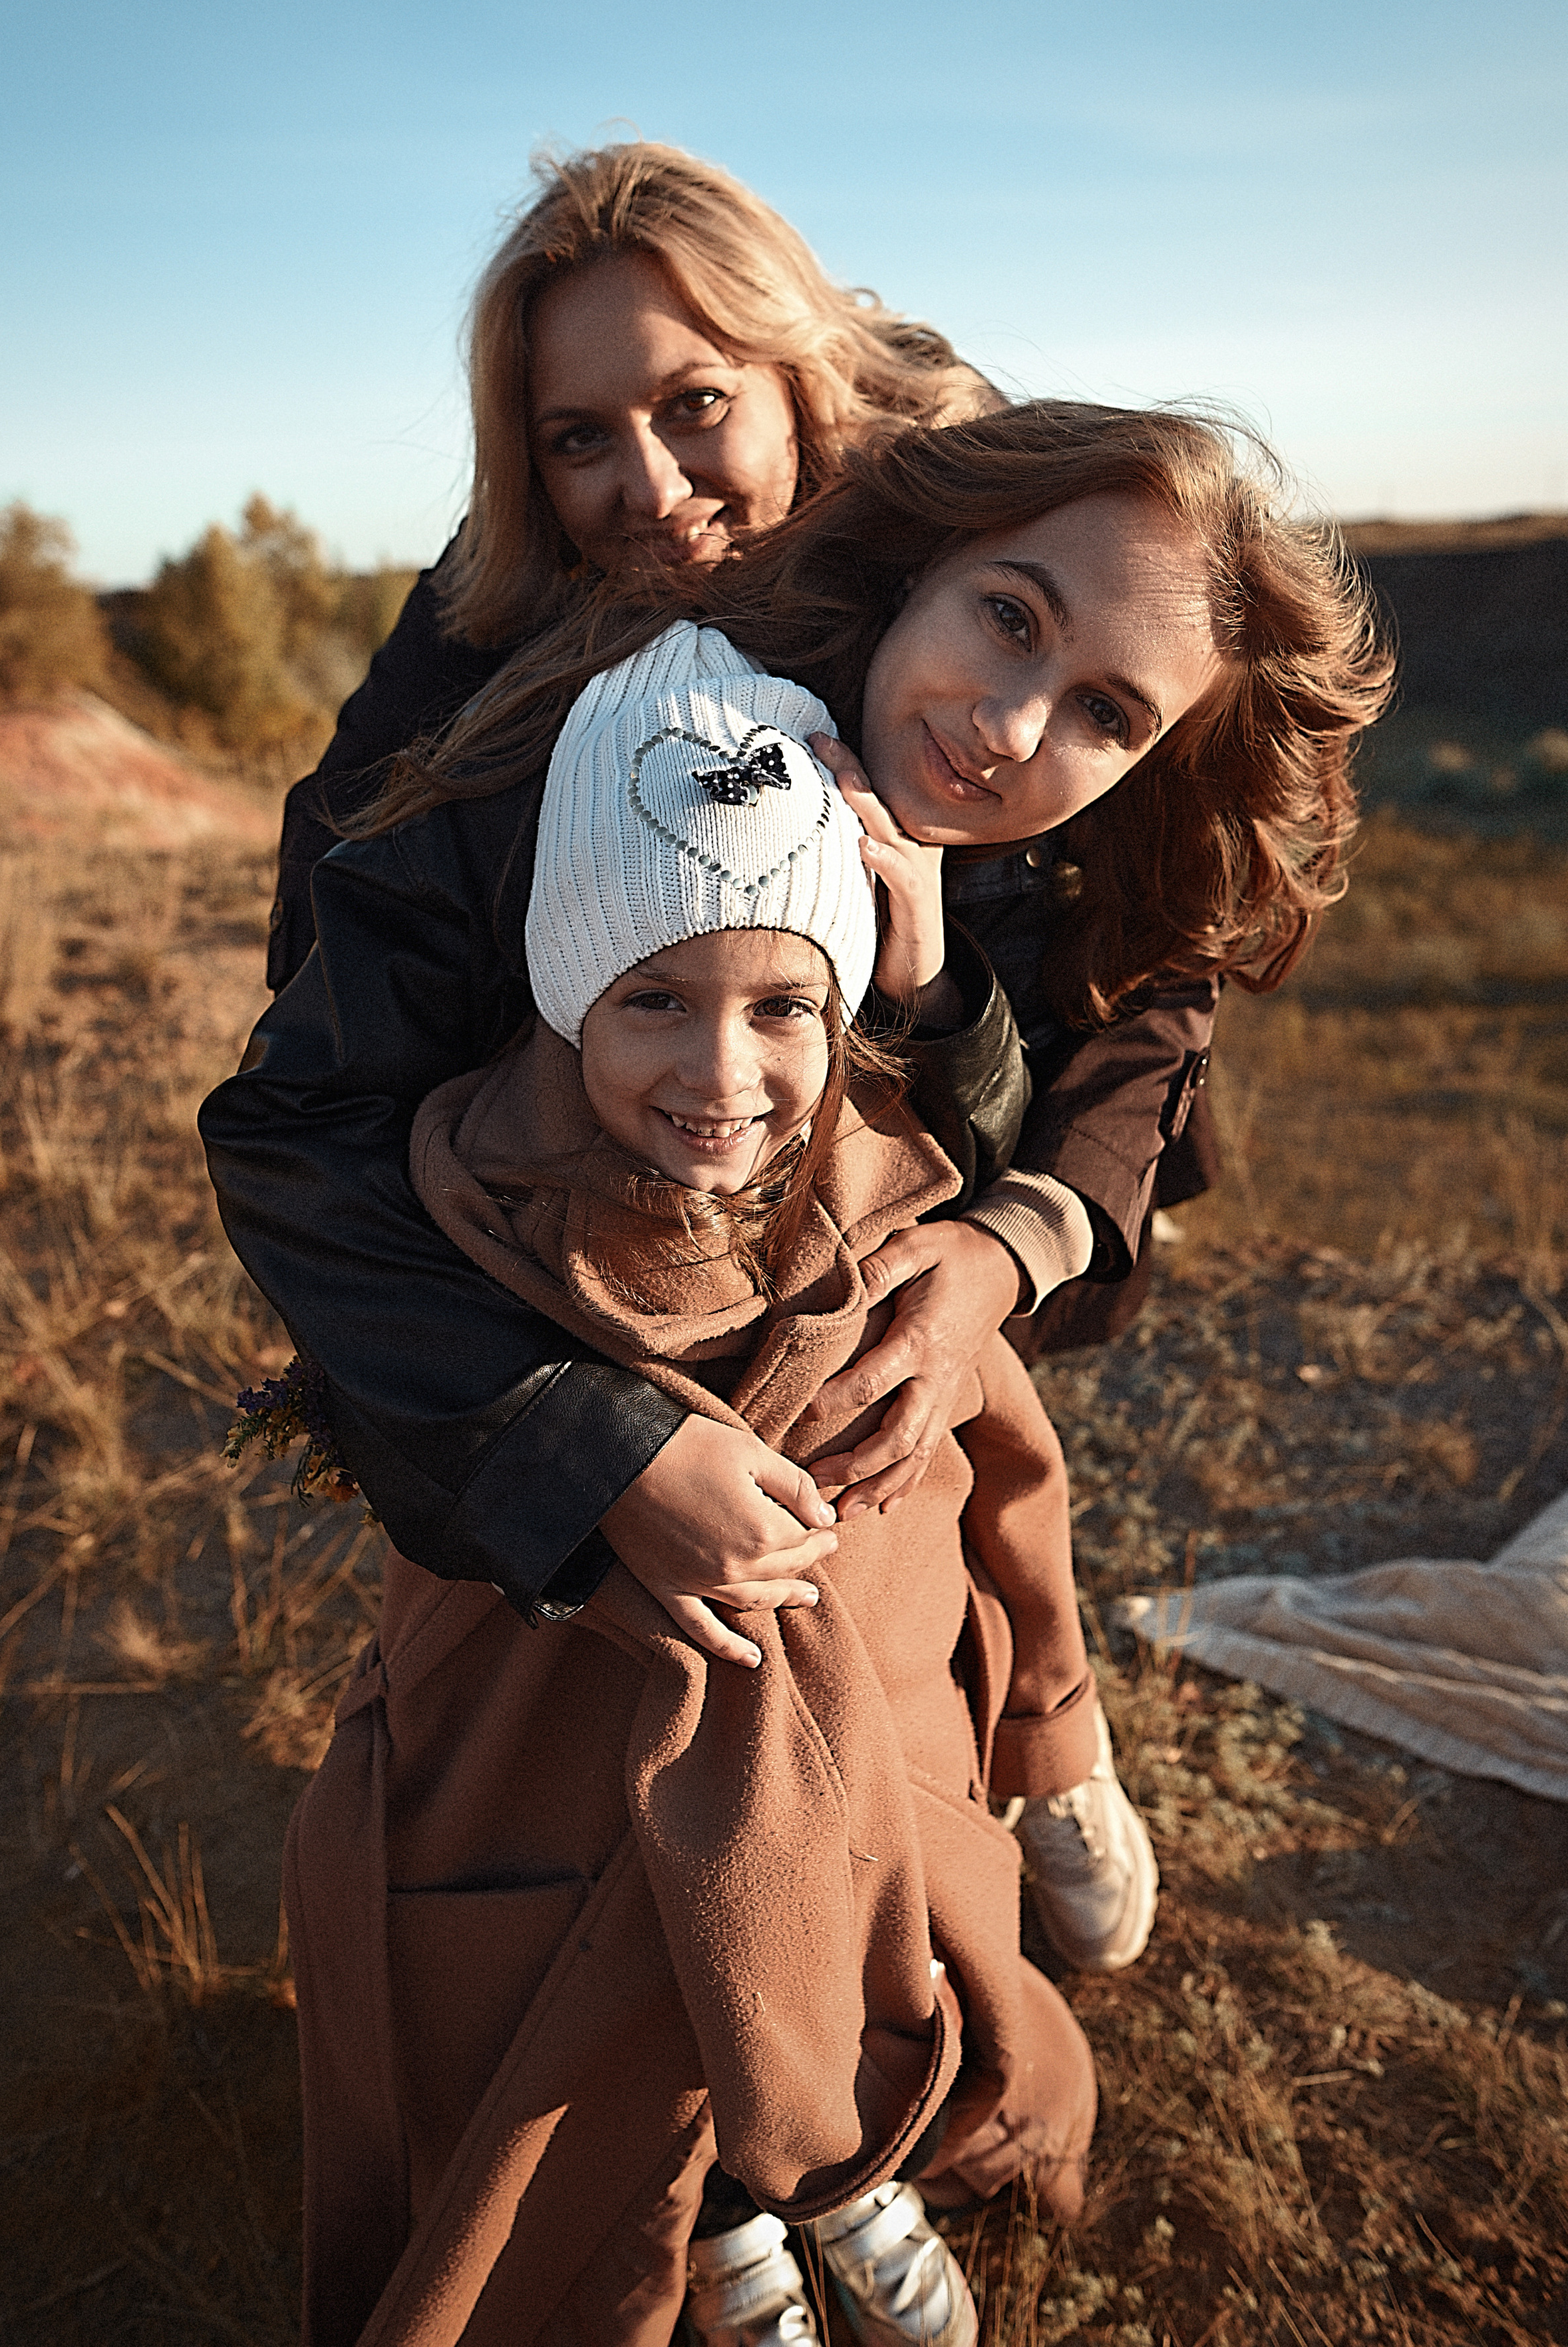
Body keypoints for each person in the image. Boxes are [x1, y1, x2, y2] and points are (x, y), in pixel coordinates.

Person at [202, 402, 1388, 1974]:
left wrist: (1001, 1236)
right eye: (1007, 618)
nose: (1011, 728)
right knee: (570, 1786)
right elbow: (300, 1129)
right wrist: (581, 1448)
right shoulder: (618, 758)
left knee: (941, 1581)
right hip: (571, 1345)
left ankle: (1013, 1768)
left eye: (1105, 709)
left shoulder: (1072, 848)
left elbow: (1141, 1047)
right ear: (919, 559)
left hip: (859, 1372)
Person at [282, 625, 1098, 2347]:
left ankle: (830, 2159)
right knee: (641, 1946)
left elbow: (999, 1352)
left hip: (856, 1670)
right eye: (652, 998)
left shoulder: (883, 1166)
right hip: (587, 1713)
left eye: (782, 1006)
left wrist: (939, 999)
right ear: (568, 984)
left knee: (824, 1909)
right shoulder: (478, 1202)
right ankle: (719, 2204)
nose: (723, 1080)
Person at [265, 140, 1217, 1368]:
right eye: (577, 439)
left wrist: (1039, 1224)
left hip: (990, 1137)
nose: (650, 487)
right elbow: (337, 860)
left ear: (797, 373)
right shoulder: (503, 587)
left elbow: (1165, 923)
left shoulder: (976, 534)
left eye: (696, 403)